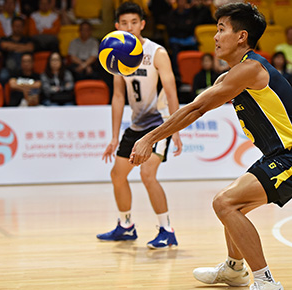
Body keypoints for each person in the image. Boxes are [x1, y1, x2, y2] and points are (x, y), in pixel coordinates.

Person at [129, 3, 292, 289]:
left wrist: (148, 138)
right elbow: (198, 106)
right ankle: (233, 269)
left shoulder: (251, 70)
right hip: (279, 155)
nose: (215, 37)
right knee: (232, 202)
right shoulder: (234, 75)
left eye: (221, 29)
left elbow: (196, 109)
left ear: (241, 37)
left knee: (224, 203)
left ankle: (266, 282)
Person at [97, 2, 183, 249]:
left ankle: (167, 230)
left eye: (134, 22)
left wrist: (175, 129)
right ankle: (125, 226)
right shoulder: (115, 53)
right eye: (124, 23)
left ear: (142, 24)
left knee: (147, 174)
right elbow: (117, 97)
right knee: (117, 175)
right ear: (116, 26)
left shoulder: (157, 53)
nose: (129, 27)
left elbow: (171, 91)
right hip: (136, 125)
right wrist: (114, 137)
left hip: (160, 125)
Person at [0, 16, 34, 85]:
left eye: (20, 26)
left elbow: (30, 48)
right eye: (16, 26)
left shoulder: (27, 39)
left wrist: (11, 47)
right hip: (8, 69)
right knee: (2, 76)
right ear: (12, 26)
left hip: (24, 69)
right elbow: (4, 45)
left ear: (23, 27)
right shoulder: (5, 39)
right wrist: (22, 47)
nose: (17, 28)